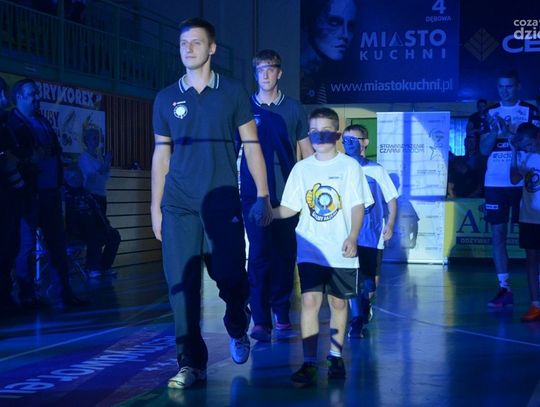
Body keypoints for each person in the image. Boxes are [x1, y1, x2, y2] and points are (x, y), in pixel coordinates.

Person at [151, 18, 272, 389]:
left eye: (196, 42)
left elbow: (252, 145)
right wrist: (155, 207)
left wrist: (263, 195)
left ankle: (237, 322)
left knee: (230, 277)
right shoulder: (165, 98)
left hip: (221, 203)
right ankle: (191, 363)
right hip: (179, 206)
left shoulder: (232, 92)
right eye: (183, 43)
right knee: (181, 285)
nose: (188, 49)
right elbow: (161, 154)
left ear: (212, 48)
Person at [272, 107, 373, 387]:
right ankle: (308, 363)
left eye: (326, 131)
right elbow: (290, 207)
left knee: (338, 303)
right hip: (310, 250)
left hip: (341, 250)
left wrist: (353, 236)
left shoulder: (349, 167)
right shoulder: (301, 169)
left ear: (337, 135)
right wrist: (269, 212)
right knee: (309, 302)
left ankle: (335, 356)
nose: (319, 136)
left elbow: (357, 205)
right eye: (314, 131)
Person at [241, 49, 312, 342]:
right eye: (260, 69)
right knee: (258, 254)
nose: (266, 74)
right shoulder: (244, 107)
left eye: (270, 69)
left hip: (288, 196)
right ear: (255, 73)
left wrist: (310, 191)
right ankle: (260, 320)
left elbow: (307, 152)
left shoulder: (293, 108)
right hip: (252, 196)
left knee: (284, 255)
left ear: (279, 73)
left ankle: (281, 310)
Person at [8, 78, 84, 308]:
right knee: (26, 247)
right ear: (19, 97)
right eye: (32, 94)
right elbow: (13, 156)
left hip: (51, 193)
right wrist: (30, 158)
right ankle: (27, 296)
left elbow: (54, 151)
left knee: (58, 245)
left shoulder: (42, 121)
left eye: (37, 93)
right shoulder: (12, 122)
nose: (37, 98)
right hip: (29, 195)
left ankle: (64, 293)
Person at [479, 70, 538, 308]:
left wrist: (510, 134)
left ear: (518, 86)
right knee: (498, 235)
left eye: (509, 86)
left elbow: (535, 144)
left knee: (533, 240)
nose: (505, 91)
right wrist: (496, 132)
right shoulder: (490, 112)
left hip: (524, 180)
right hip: (495, 182)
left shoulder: (530, 111)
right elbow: (483, 150)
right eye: (501, 87)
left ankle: (536, 290)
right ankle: (504, 288)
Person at [342, 124, 398, 338]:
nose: (348, 143)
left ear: (365, 142)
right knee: (352, 277)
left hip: (372, 236)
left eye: (354, 139)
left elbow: (391, 199)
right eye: (345, 139)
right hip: (348, 235)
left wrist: (390, 224)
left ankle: (365, 306)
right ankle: (356, 319)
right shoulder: (340, 168)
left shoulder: (376, 170)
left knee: (370, 284)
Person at [78, 125, 120, 277]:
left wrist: (106, 163)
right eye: (93, 138)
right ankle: (91, 266)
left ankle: (104, 265)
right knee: (94, 232)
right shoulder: (84, 157)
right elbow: (92, 175)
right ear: (86, 140)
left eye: (98, 138)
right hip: (90, 198)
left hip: (102, 197)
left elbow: (105, 176)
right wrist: (105, 164)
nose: (96, 141)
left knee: (107, 232)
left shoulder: (99, 157)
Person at [509, 123, 540, 322]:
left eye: (530, 144)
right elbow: (513, 179)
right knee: (531, 260)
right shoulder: (523, 157)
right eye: (524, 145)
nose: (527, 148)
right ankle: (536, 305)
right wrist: (514, 152)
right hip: (529, 217)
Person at [300, 0, 358, 104]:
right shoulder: (298, 77)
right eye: (334, 22)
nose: (345, 35)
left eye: (350, 26)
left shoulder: (330, 80)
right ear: (311, 21)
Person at [0, 77, 26, 311]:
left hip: (10, 194)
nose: (3, 99)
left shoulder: (5, 124)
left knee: (10, 246)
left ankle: (6, 296)